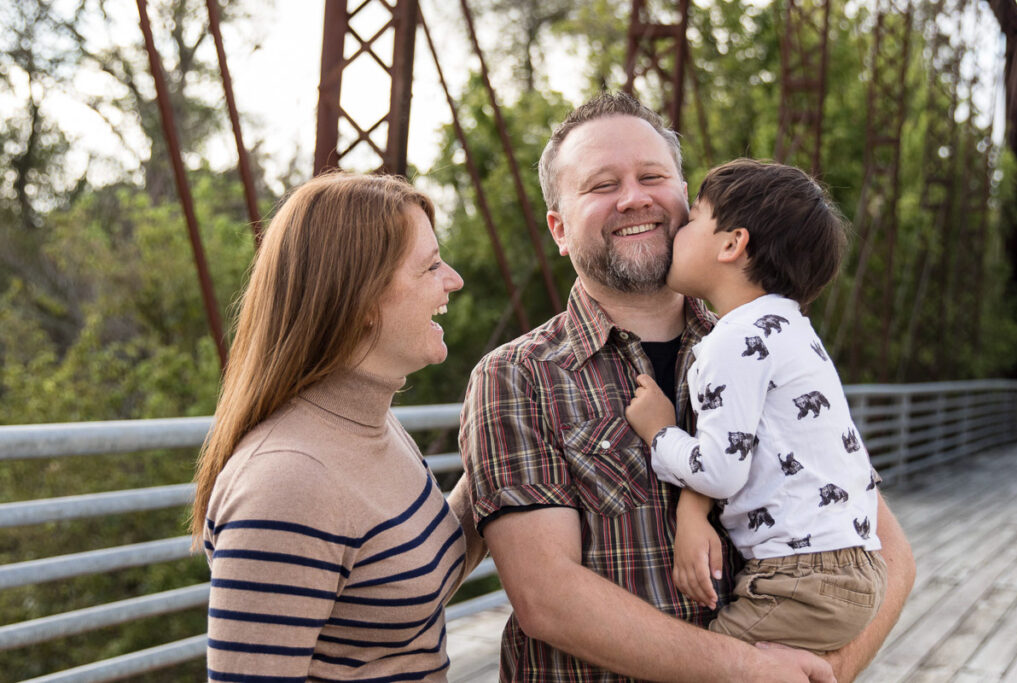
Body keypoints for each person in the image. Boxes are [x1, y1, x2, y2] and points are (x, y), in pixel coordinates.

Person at [459, 92, 915, 682]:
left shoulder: (765, 343)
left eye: (653, 176)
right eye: (601, 185)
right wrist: (748, 672)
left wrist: (816, 674)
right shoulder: (516, 376)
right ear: (559, 230)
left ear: (685, 198)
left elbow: (887, 550)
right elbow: (549, 599)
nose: (633, 197)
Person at [190, 173, 485, 681]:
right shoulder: (289, 483)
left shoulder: (372, 426)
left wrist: (509, 456)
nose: (452, 279)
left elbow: (406, 586)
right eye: (431, 266)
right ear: (363, 301)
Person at [625, 159, 886, 654]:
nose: (678, 226)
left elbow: (722, 471)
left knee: (710, 664)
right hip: (856, 565)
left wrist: (660, 432)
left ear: (731, 244)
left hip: (800, 580)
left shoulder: (735, 340)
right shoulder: (789, 329)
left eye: (695, 216)